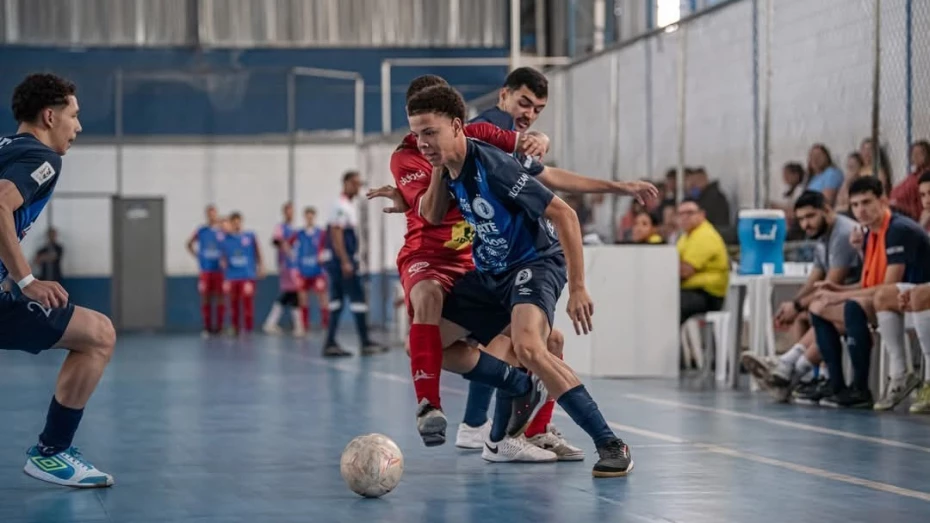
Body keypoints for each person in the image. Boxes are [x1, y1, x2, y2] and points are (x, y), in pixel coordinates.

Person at [410, 84, 634, 477]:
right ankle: (519, 387)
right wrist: (435, 168)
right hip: (491, 273)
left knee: (531, 347)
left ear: (458, 127)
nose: (422, 142)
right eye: (416, 134)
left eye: (430, 133)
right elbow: (429, 216)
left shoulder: (494, 167)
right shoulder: (448, 168)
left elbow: (564, 214)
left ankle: (610, 443)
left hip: (534, 263)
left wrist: (578, 286)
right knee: (427, 344)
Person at [455, 68, 656, 457]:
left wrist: (616, 187)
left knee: (538, 343)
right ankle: (487, 430)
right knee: (527, 343)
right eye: (524, 103)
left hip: (522, 258)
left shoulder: (506, 146)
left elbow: (551, 179)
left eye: (538, 110)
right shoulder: (490, 133)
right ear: (504, 96)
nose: (529, 114)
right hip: (497, 260)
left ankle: (507, 429)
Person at [0, 73, 115, 487]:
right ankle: (51, 452)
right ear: (50, 116)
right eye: (74, 115)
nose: (78, 126)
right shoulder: (44, 158)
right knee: (99, 335)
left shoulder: (6, 149)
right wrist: (27, 278)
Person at [808, 176, 930, 408]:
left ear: (883, 200)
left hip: (909, 298)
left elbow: (886, 286)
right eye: (855, 205)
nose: (860, 210)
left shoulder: (897, 230)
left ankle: (861, 387)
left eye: (866, 202)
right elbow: (872, 283)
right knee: (818, 306)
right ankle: (835, 384)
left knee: (855, 307)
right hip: (903, 297)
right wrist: (839, 289)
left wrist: (842, 296)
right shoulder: (869, 234)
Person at [741, 190, 861, 402]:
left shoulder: (843, 234)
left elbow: (832, 283)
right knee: (804, 315)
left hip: (853, 299)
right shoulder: (822, 237)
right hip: (837, 301)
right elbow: (814, 279)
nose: (806, 224)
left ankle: (788, 368)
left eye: (810, 217)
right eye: (801, 219)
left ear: (826, 210)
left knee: (821, 315)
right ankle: (795, 375)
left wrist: (798, 305)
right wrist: (793, 305)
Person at [323, 171, 387, 357]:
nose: (358, 187)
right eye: (355, 183)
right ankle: (365, 342)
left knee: (336, 302)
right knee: (358, 300)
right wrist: (345, 261)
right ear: (346, 183)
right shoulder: (341, 206)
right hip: (342, 262)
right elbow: (336, 234)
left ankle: (330, 343)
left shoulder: (348, 205)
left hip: (341, 262)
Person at [219, 212, 264, 335]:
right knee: (233, 304)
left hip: (247, 275)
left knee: (247, 303)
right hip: (232, 276)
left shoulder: (250, 236)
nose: (237, 225)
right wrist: (225, 273)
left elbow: (258, 252)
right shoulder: (225, 240)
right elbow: (223, 257)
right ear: (231, 224)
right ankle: (235, 327)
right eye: (234, 223)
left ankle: (248, 329)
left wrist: (261, 267)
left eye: (238, 222)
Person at [263, 202, 303, 336]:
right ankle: (298, 326)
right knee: (294, 292)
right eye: (287, 211)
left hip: (295, 265)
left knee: (289, 294)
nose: (290, 213)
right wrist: (284, 245)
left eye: (292, 211)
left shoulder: (295, 229)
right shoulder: (281, 227)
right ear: (284, 212)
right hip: (286, 266)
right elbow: (275, 240)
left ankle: (271, 323)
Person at [187, 204, 225, 335]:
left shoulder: (222, 231)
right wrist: (197, 255)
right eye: (209, 213)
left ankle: (219, 326)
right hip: (206, 270)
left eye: (214, 213)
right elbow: (189, 243)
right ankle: (207, 327)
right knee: (206, 297)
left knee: (220, 296)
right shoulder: (201, 231)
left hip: (219, 270)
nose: (212, 216)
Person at [293, 206, 329, 333]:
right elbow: (291, 248)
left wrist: (323, 256)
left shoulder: (321, 233)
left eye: (311, 216)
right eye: (307, 216)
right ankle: (304, 325)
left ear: (314, 217)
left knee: (323, 297)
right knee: (302, 298)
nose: (309, 218)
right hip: (303, 271)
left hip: (318, 271)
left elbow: (327, 248)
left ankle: (325, 324)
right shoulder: (299, 234)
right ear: (304, 217)